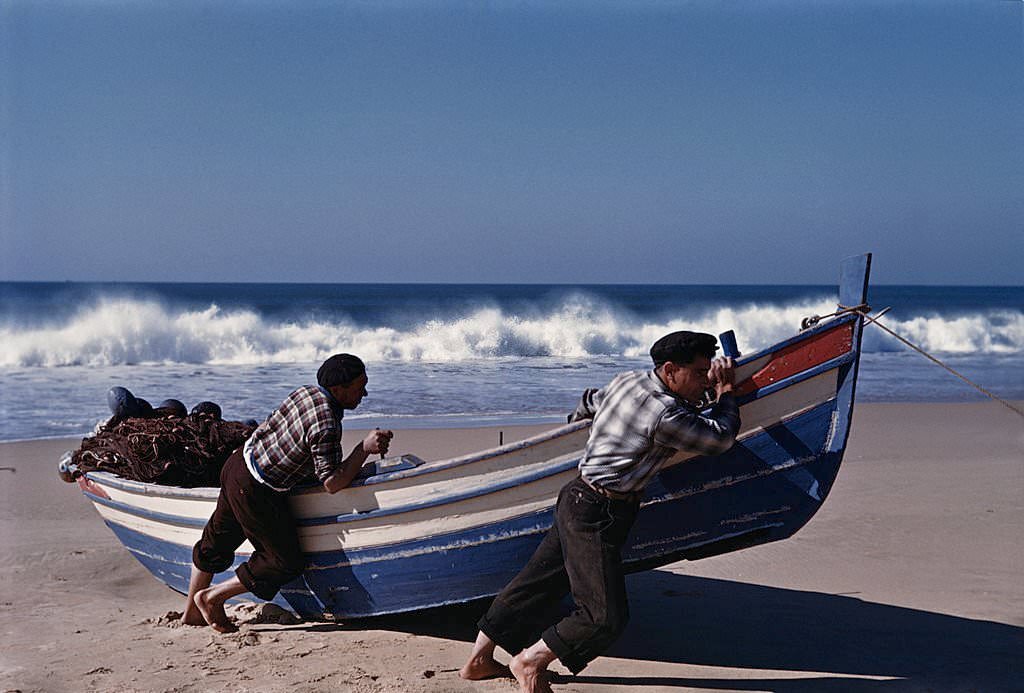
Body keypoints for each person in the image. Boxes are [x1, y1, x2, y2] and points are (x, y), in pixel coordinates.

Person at [460, 331, 741, 692]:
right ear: (670, 370)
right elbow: (719, 439)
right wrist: (726, 393)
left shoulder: (628, 381)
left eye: (708, 373)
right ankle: (530, 661)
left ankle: (478, 660)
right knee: (603, 615)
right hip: (600, 511)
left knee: (534, 585)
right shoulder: (665, 413)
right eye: (700, 373)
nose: (706, 380)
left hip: (576, 495)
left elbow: (586, 404)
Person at [183, 353, 393, 633]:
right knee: (284, 561)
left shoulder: (305, 393)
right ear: (339, 388)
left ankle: (191, 614)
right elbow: (331, 482)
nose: (364, 393)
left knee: (216, 540)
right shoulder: (328, 423)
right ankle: (211, 598)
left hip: (237, 464)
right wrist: (363, 449)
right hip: (256, 489)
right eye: (360, 386)